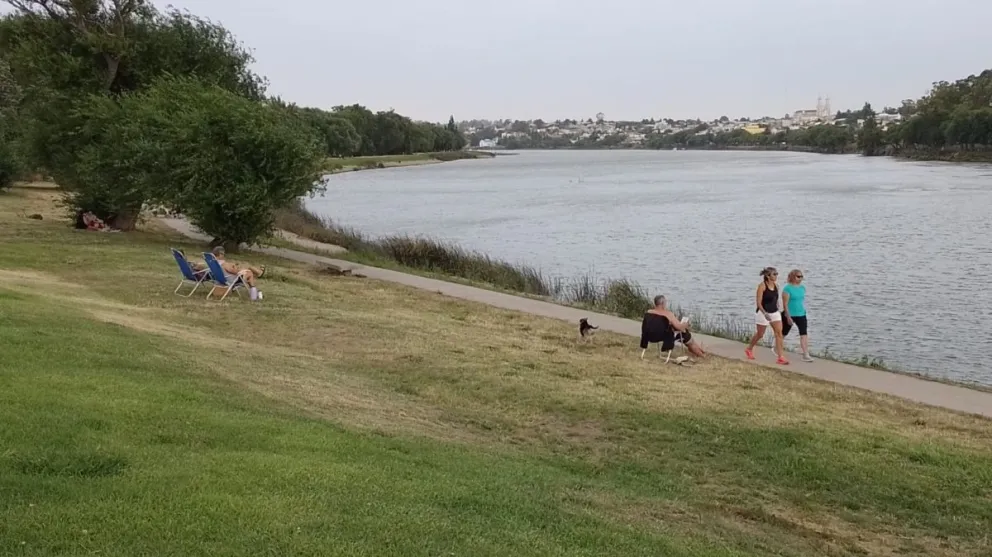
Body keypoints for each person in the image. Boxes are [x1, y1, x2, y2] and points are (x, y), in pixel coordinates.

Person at [745, 267, 788, 365]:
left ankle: (780, 357)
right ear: (768, 276)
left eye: (776, 274)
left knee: (779, 333)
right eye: (774, 274)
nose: (776, 276)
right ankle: (749, 349)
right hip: (763, 312)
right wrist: (765, 313)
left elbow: (775, 298)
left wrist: (777, 305)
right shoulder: (762, 286)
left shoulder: (776, 286)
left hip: (774, 312)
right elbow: (759, 303)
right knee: (760, 334)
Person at [640, 295, 706, 358]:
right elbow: (679, 327)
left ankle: (701, 351)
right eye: (665, 302)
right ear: (663, 304)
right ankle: (702, 355)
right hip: (665, 337)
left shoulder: (649, 312)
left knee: (687, 336)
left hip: (649, 336)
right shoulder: (668, 314)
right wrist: (686, 324)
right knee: (686, 335)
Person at [782, 269, 813, 362]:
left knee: (804, 334)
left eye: (801, 276)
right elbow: (785, 304)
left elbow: (800, 301)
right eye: (798, 276)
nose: (800, 278)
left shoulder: (802, 288)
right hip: (790, 314)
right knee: (783, 333)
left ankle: (806, 354)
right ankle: (777, 347)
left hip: (801, 314)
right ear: (792, 277)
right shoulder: (787, 289)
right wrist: (788, 317)